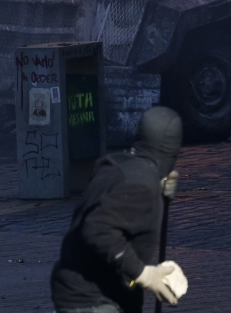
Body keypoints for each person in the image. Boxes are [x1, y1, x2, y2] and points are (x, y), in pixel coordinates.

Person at [51, 106, 188, 313]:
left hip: (84, 289)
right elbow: (97, 228)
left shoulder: (119, 164)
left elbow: (121, 209)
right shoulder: (142, 185)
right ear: (172, 147)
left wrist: (159, 189)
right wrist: (142, 273)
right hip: (92, 299)